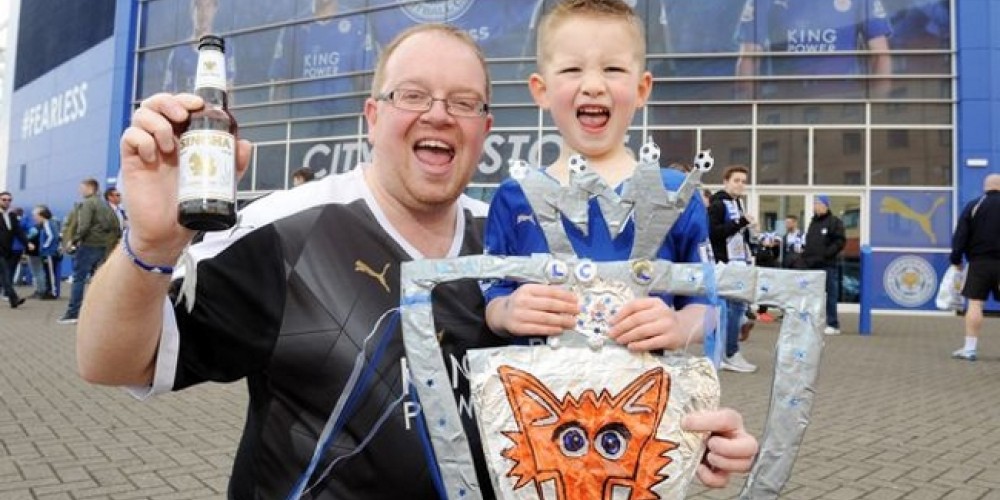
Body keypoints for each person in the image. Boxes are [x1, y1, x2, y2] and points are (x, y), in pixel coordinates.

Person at [76, 23, 756, 498]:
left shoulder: (524, 244)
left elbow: (613, 386)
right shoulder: (285, 234)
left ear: (484, 130)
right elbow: (113, 362)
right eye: (412, 95)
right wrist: (152, 246)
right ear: (372, 116)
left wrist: (692, 436)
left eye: (463, 102)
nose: (438, 115)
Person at [483, 0, 713, 357]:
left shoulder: (675, 193)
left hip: (645, 389)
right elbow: (492, 292)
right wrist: (506, 312)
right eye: (572, 69)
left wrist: (680, 325)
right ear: (541, 90)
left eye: (613, 69)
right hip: (539, 390)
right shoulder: (513, 196)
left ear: (642, 89)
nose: (593, 85)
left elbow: (710, 304)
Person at [735, 0, 893, 100]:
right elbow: (749, 58)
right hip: (789, 106)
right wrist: (753, 114)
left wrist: (876, 111)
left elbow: (880, 56)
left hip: (843, 104)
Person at [708, 165, 758, 373]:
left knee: (736, 309)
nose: (740, 185)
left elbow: (736, 234)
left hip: (738, 262)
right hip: (724, 263)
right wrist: (740, 222)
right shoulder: (718, 204)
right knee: (732, 310)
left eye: (743, 181)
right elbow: (714, 233)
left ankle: (726, 353)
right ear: (726, 182)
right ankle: (729, 353)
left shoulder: (738, 203)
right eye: (736, 180)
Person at [949, 174, 1000, 361]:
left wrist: (956, 260)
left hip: (979, 263)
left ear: (985, 187)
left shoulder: (974, 206)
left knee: (975, 304)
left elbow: (960, 236)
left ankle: (970, 349)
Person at [58, 178, 121, 324]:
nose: (80, 191)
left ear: (89, 188)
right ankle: (101, 314)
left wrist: (74, 240)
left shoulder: (87, 203)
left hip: (89, 245)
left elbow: (84, 226)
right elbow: (115, 226)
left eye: (82, 188)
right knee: (101, 280)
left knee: (79, 279)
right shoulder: (105, 205)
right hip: (104, 247)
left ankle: (73, 313)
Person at [803, 195, 846, 336]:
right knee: (812, 295)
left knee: (830, 296)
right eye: (814, 203)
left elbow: (839, 242)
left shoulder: (834, 222)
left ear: (826, 205)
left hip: (827, 265)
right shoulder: (813, 223)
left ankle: (833, 324)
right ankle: (813, 322)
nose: (815, 206)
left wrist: (826, 254)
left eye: (818, 203)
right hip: (811, 265)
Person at [0, 191, 28, 308]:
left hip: (7, 250)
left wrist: (27, 243)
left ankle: (12, 299)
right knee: (5, 274)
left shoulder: (11, 215)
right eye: (4, 199)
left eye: (9, 200)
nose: (7, 202)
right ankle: (14, 298)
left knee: (4, 276)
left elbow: (18, 231)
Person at [30, 205, 61, 300]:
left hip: (49, 253)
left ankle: (52, 292)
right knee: (48, 272)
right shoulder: (49, 223)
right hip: (49, 252)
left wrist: (44, 247)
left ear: (41, 215)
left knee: (50, 273)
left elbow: (52, 236)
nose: (34, 218)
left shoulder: (47, 223)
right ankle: (49, 291)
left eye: (35, 216)